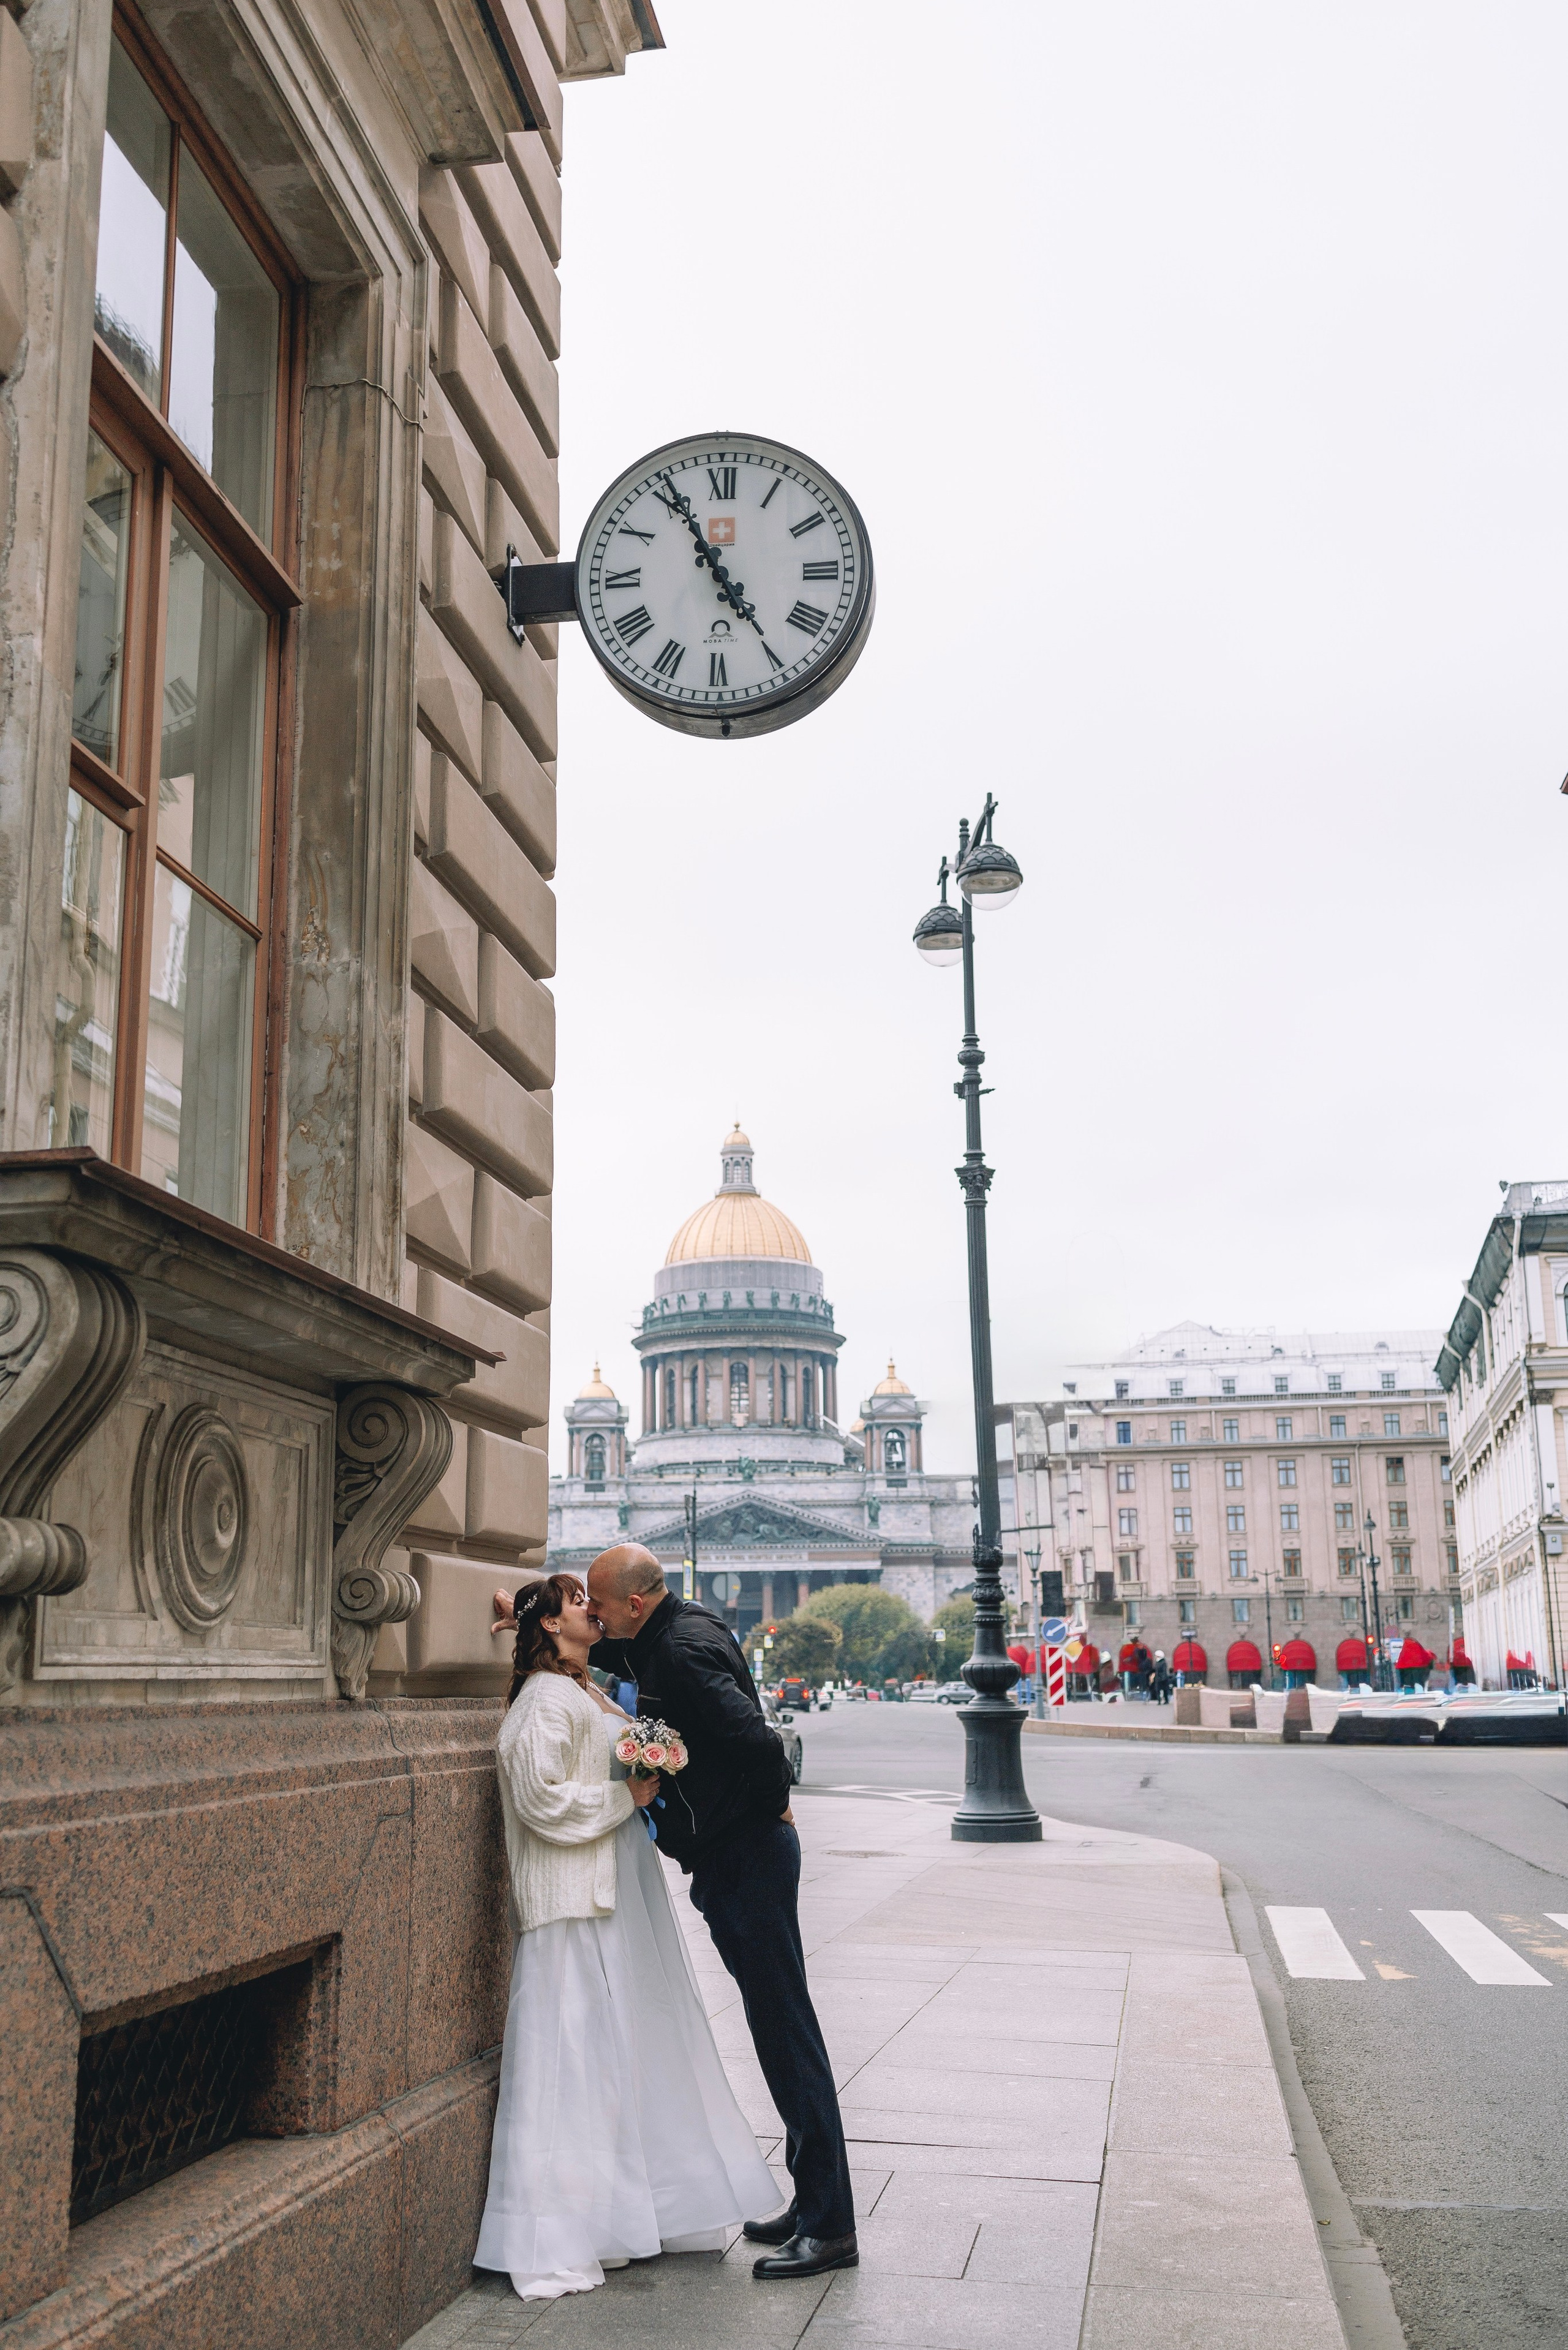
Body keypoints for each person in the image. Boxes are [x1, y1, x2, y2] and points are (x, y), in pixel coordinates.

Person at [473, 1572, 777, 2302]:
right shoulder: (545, 1700)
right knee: (572, 2059)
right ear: (551, 1626)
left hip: (608, 1890)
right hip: (574, 1900)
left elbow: (623, 1722)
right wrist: (627, 1793)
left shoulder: (577, 1689)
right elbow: (539, 1796)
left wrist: (650, 1758)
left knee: (614, 2054)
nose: (592, 1609)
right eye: (578, 1602)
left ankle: (620, 2213)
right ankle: (557, 2230)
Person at [584, 1544, 858, 2281]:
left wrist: (774, 1810)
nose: (596, 1618)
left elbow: (760, 1744)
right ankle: (812, 2201)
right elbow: (610, 1647)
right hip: (739, 1853)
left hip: (747, 1856)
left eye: (600, 1603)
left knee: (786, 2032)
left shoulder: (679, 1653)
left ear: (634, 1605)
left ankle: (831, 2225)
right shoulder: (677, 1627)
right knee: (777, 2029)